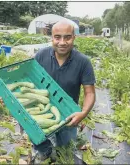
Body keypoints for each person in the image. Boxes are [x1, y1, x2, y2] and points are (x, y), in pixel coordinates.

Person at [33, 20, 96, 163]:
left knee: (66, 151)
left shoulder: (83, 62)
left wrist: (83, 113)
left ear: (74, 37)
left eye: (67, 37)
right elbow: (31, 80)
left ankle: (63, 153)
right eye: (57, 37)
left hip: (69, 115)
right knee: (34, 133)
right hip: (42, 109)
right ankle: (44, 151)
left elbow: (90, 93)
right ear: (52, 38)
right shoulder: (41, 56)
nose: (62, 42)